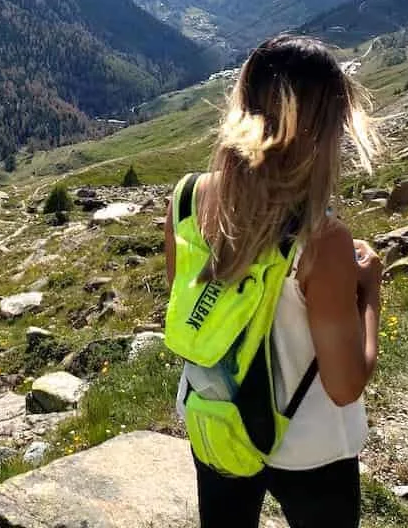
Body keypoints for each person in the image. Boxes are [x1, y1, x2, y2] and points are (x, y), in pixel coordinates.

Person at [163, 35, 383, 528]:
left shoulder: (187, 200)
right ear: (327, 128)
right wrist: (369, 292)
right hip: (311, 447)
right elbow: (345, 384)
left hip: (217, 416)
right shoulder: (321, 239)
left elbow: (188, 304)